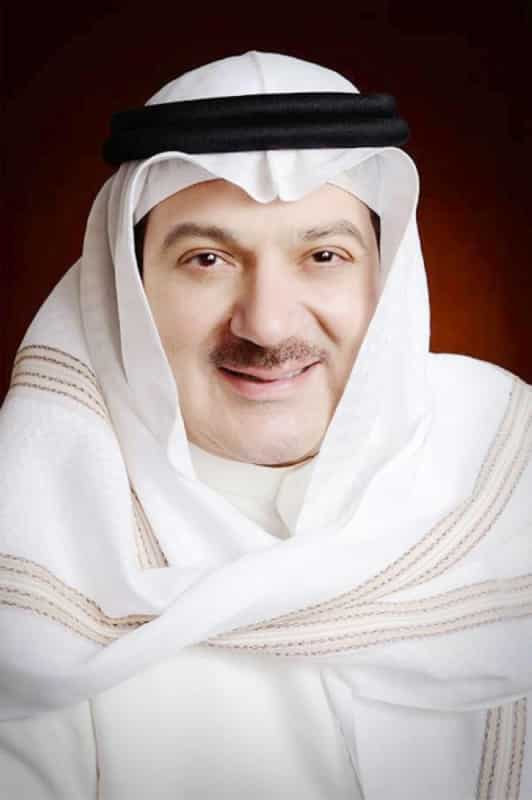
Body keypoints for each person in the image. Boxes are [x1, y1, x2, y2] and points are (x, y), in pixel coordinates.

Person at [0, 50, 530, 800]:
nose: (268, 323)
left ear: (386, 281)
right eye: (208, 259)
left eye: (324, 254)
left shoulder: (509, 474)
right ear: (127, 287)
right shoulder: (31, 557)